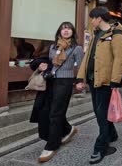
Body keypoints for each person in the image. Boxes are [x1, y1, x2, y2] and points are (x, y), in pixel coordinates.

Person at [76, 7, 122, 164]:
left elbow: (120, 59)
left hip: (106, 81)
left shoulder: (117, 36)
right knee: (100, 112)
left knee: (101, 114)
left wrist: (114, 81)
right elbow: (87, 58)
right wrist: (80, 78)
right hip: (93, 80)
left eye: (93, 18)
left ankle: (100, 147)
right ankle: (111, 134)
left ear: (99, 18)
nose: (91, 21)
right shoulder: (95, 35)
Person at [29, 22, 84, 163]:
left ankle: (52, 145)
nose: (66, 31)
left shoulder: (76, 48)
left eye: (69, 28)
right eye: (63, 28)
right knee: (48, 111)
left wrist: (79, 81)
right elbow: (43, 60)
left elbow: (81, 66)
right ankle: (68, 129)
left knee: (55, 113)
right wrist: (41, 65)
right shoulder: (53, 46)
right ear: (59, 31)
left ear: (73, 32)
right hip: (51, 81)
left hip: (65, 83)